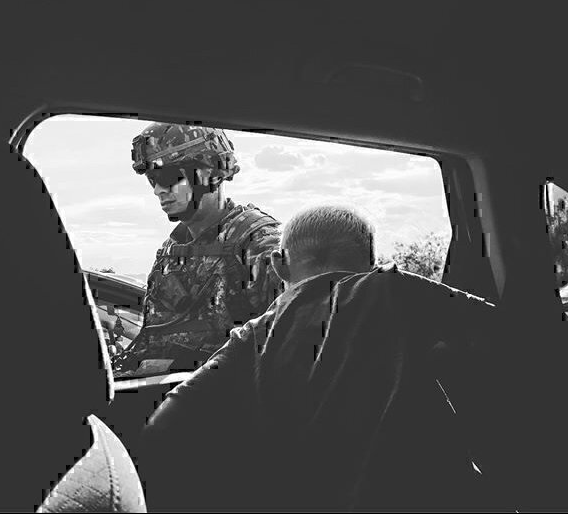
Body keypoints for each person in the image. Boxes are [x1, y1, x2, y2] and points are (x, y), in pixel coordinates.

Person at [140, 205, 492, 511]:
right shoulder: (392, 288)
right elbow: (509, 337)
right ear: (373, 262)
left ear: (279, 266)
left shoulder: (252, 336)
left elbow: (164, 427)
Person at [112, 122, 283, 376]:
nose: (159, 190)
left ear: (209, 172)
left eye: (167, 177)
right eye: (152, 180)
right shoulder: (170, 250)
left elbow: (287, 349)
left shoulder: (258, 243)